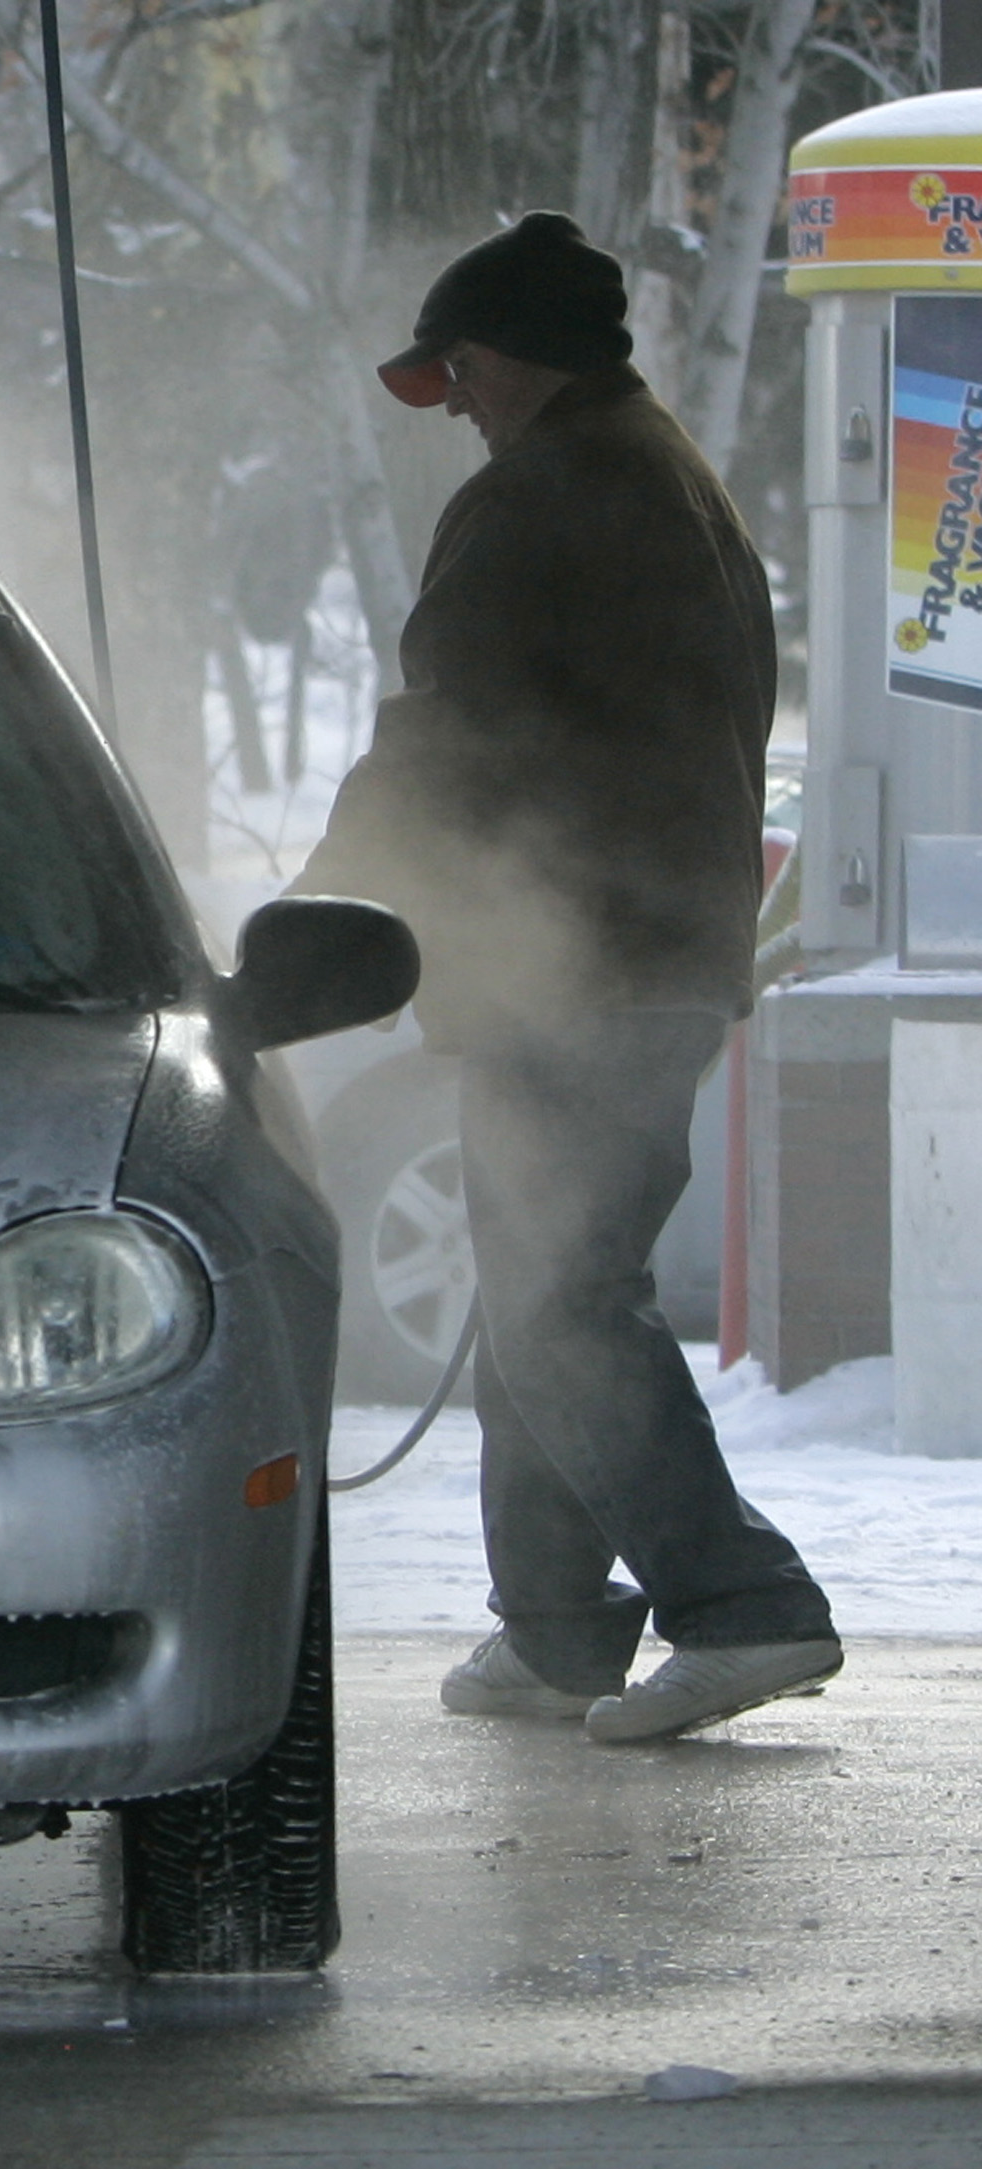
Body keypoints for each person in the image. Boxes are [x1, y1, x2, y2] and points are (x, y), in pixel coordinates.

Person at [296, 211, 841, 1744]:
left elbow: (441, 737)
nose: (453, 399)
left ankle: (745, 1607)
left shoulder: (537, 496)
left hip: (576, 964)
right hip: (655, 954)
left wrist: (318, 917)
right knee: (541, 1288)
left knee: (558, 1301)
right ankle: (552, 1631)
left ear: (513, 357)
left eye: (458, 368)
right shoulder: (678, 483)